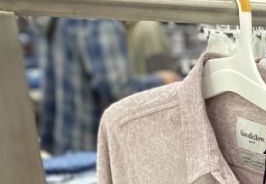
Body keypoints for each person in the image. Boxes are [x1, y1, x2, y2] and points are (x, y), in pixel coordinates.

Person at [32, 18, 180, 155]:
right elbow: (119, 89)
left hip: (67, 144)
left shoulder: (63, 15)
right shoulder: (101, 22)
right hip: (95, 147)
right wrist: (163, 81)